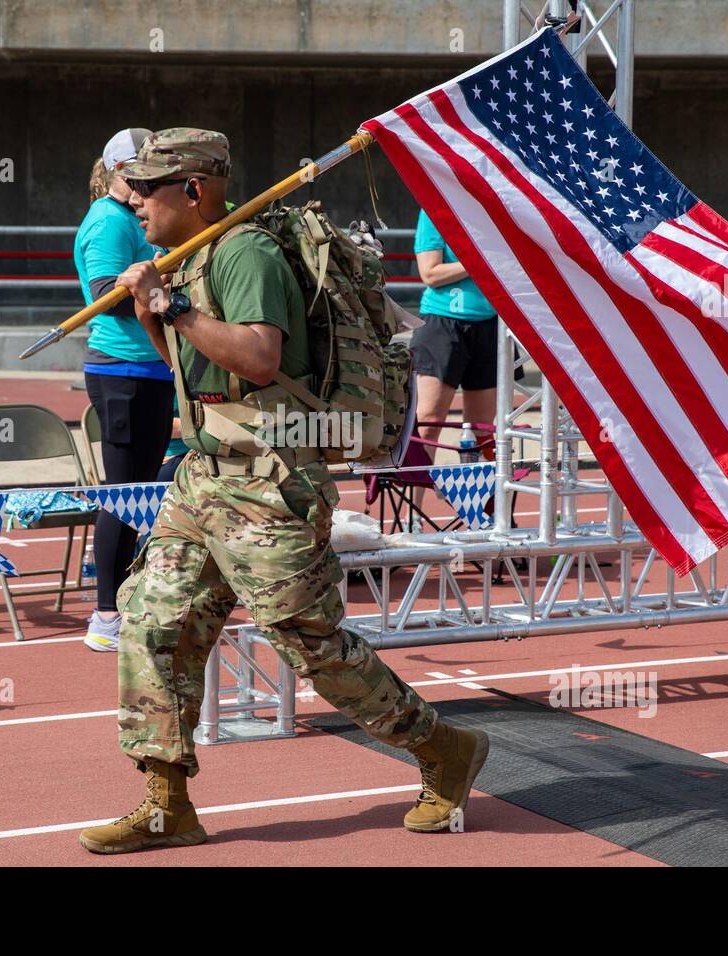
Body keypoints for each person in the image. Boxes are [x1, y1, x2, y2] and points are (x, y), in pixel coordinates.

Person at [77, 128, 489, 855]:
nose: (136, 201)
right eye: (133, 187)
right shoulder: (195, 255)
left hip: (268, 482)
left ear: (195, 191)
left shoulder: (246, 254)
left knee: (311, 644)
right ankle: (166, 802)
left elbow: (261, 360)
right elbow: (193, 364)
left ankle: (442, 750)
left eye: (149, 187)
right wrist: (151, 309)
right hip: (204, 475)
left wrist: (172, 307)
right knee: (152, 624)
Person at [75, 128, 176, 652]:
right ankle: (106, 614)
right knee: (122, 493)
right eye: (144, 168)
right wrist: (166, 289)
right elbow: (104, 296)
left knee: (146, 490)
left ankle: (132, 596)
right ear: (120, 169)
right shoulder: (108, 221)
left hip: (153, 369)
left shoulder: (136, 216)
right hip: (123, 370)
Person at [411, 207, 498, 475]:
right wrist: (477, 262)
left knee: (482, 427)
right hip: (442, 323)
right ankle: (414, 511)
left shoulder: (493, 210)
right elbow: (430, 273)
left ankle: (482, 509)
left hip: (489, 324)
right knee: (428, 421)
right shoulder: (434, 210)